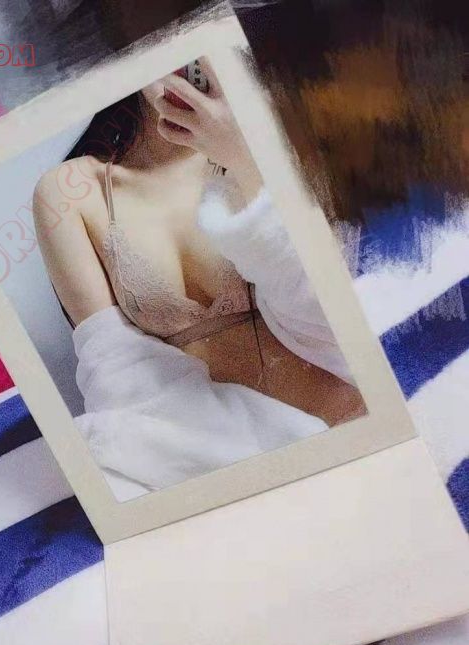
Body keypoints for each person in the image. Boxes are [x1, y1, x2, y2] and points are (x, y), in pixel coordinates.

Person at [32, 59, 365, 498]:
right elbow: (111, 369)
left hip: (351, 428)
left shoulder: (279, 132)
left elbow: (337, 306)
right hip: (202, 469)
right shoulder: (72, 191)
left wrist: (244, 154)